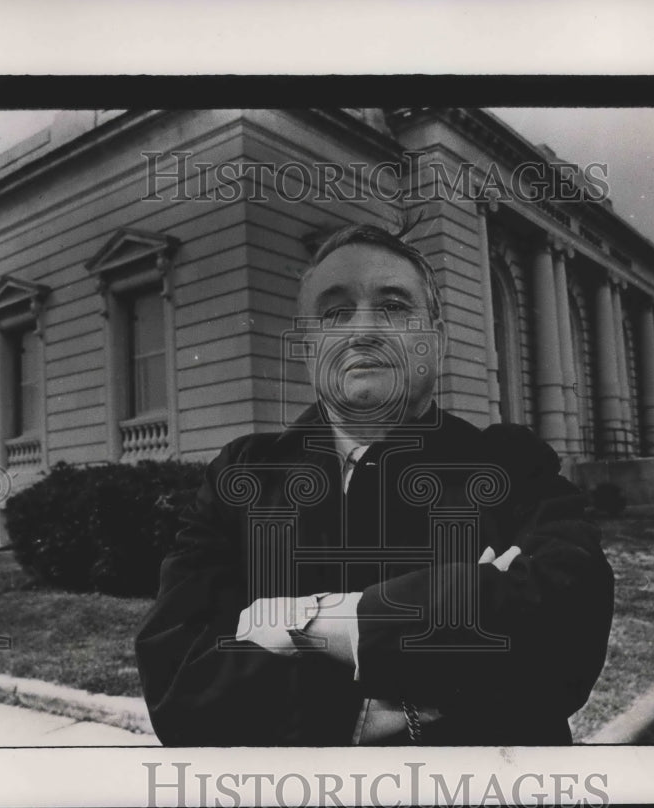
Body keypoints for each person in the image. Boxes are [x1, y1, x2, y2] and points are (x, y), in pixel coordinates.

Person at [135, 222, 614, 746]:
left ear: (438, 340)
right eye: (335, 311)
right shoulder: (240, 475)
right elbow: (177, 688)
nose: (363, 331)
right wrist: (448, 652)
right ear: (306, 345)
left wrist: (302, 625)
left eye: (393, 306)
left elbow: (567, 632)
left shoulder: (510, 464)